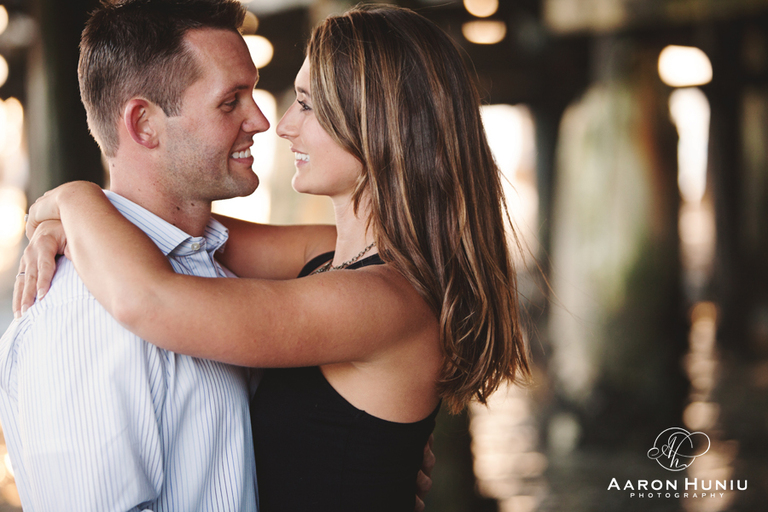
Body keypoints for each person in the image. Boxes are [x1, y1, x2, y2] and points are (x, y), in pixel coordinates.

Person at [16, 4, 530, 512]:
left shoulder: (379, 299)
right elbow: (183, 231)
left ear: (376, 125)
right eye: (231, 101)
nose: (276, 124)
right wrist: (82, 221)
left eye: (305, 104)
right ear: (144, 123)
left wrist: (74, 198)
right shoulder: (331, 258)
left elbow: (152, 299)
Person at [0, 0, 268, 510]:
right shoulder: (83, 309)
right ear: (144, 124)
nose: (259, 120)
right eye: (230, 101)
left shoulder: (214, 270)